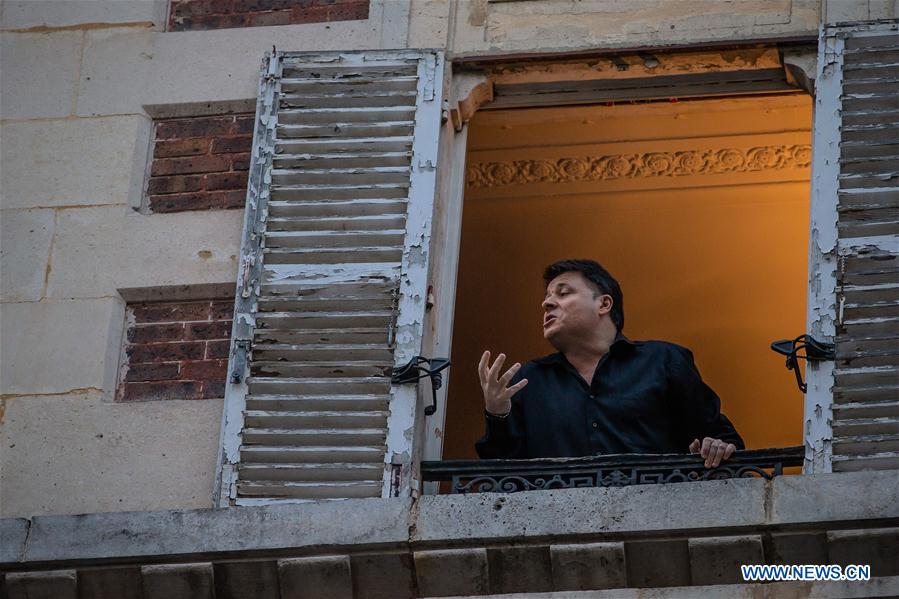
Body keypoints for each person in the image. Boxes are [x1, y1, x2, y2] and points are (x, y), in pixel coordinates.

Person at [475, 259, 744, 468]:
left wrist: (716, 447)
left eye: (563, 293)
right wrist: (496, 413)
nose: (547, 303)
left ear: (603, 304)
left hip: (656, 525)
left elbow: (725, 440)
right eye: (547, 297)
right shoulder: (528, 381)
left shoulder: (663, 361)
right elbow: (500, 477)